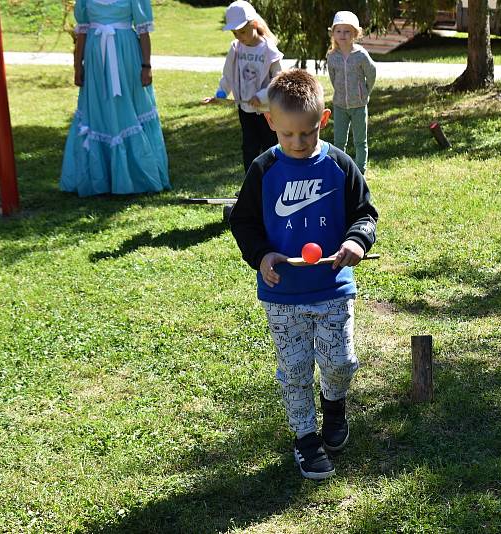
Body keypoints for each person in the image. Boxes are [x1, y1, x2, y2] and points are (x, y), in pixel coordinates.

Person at [229, 69, 378, 480]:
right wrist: (261, 256)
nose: (298, 143)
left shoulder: (339, 165)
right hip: (283, 297)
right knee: (293, 371)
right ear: (270, 122)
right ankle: (306, 440)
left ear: (324, 120)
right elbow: (243, 223)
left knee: (341, 363)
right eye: (288, 135)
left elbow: (365, 213)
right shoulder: (263, 170)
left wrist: (356, 242)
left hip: (332, 288)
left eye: (308, 134)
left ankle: (334, 408)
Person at [60, 0, 170, 197]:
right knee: (99, 111)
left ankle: (135, 175)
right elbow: (83, 32)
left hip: (126, 56)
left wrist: (146, 66)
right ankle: (101, 178)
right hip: (96, 60)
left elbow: (143, 32)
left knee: (127, 108)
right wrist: (78, 66)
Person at [203, 0, 283, 173]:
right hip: (245, 109)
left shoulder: (268, 50)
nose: (239, 37)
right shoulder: (236, 48)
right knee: (249, 147)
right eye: (235, 33)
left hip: (266, 111)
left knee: (270, 146)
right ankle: (251, 185)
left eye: (243, 32)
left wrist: (261, 97)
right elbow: (228, 75)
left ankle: (273, 181)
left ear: (254, 24)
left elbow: (278, 81)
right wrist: (221, 93)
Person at [326, 11, 376, 176]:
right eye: (338, 31)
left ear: (355, 33)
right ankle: (340, 169)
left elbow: (372, 72)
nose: (343, 35)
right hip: (340, 105)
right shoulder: (332, 56)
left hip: (359, 105)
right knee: (339, 141)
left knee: (360, 141)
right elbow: (333, 78)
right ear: (333, 33)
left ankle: (360, 170)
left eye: (347, 31)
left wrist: (365, 91)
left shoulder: (360, 55)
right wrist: (340, 92)